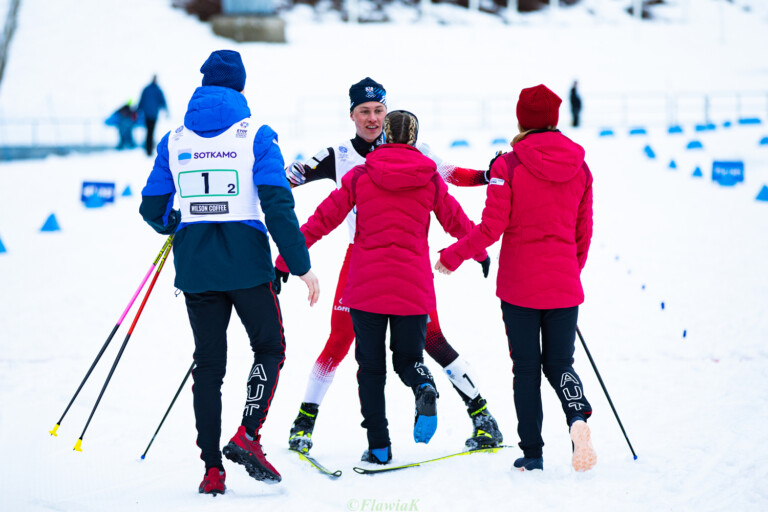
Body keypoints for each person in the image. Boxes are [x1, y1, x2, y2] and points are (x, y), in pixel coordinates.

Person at [276, 77, 503, 456]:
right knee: (341, 341)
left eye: (379, 110)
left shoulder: (417, 151)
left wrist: (485, 175)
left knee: (430, 341)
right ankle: (305, 422)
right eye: (364, 111)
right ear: (351, 115)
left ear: (387, 111)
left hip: (378, 268)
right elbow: (289, 181)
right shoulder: (337, 155)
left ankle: (480, 416)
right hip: (377, 263)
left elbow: (454, 178)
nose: (372, 118)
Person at [139, 49, 319, 495]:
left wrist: (175, 222)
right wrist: (301, 266)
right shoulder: (256, 134)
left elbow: (151, 207)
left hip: (196, 269)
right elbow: (278, 204)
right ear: (240, 86)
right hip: (247, 266)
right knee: (270, 347)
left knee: (209, 366)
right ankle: (248, 433)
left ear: (202, 85)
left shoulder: (174, 139)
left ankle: (212, 470)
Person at [436, 84, 597, 473]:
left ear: (522, 119)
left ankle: (533, 454)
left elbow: (492, 228)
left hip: (520, 286)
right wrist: (568, 273)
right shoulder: (582, 166)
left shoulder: (509, 165)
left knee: (525, 369)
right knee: (560, 364)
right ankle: (577, 419)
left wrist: (453, 256)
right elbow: (583, 231)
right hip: (563, 284)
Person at [137, 75, 168, 156]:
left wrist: (139, 109)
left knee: (148, 131)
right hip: (153, 114)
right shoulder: (157, 90)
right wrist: (165, 109)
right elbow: (162, 101)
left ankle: (148, 148)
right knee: (151, 131)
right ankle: (149, 149)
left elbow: (141, 100)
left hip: (147, 114)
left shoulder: (147, 89)